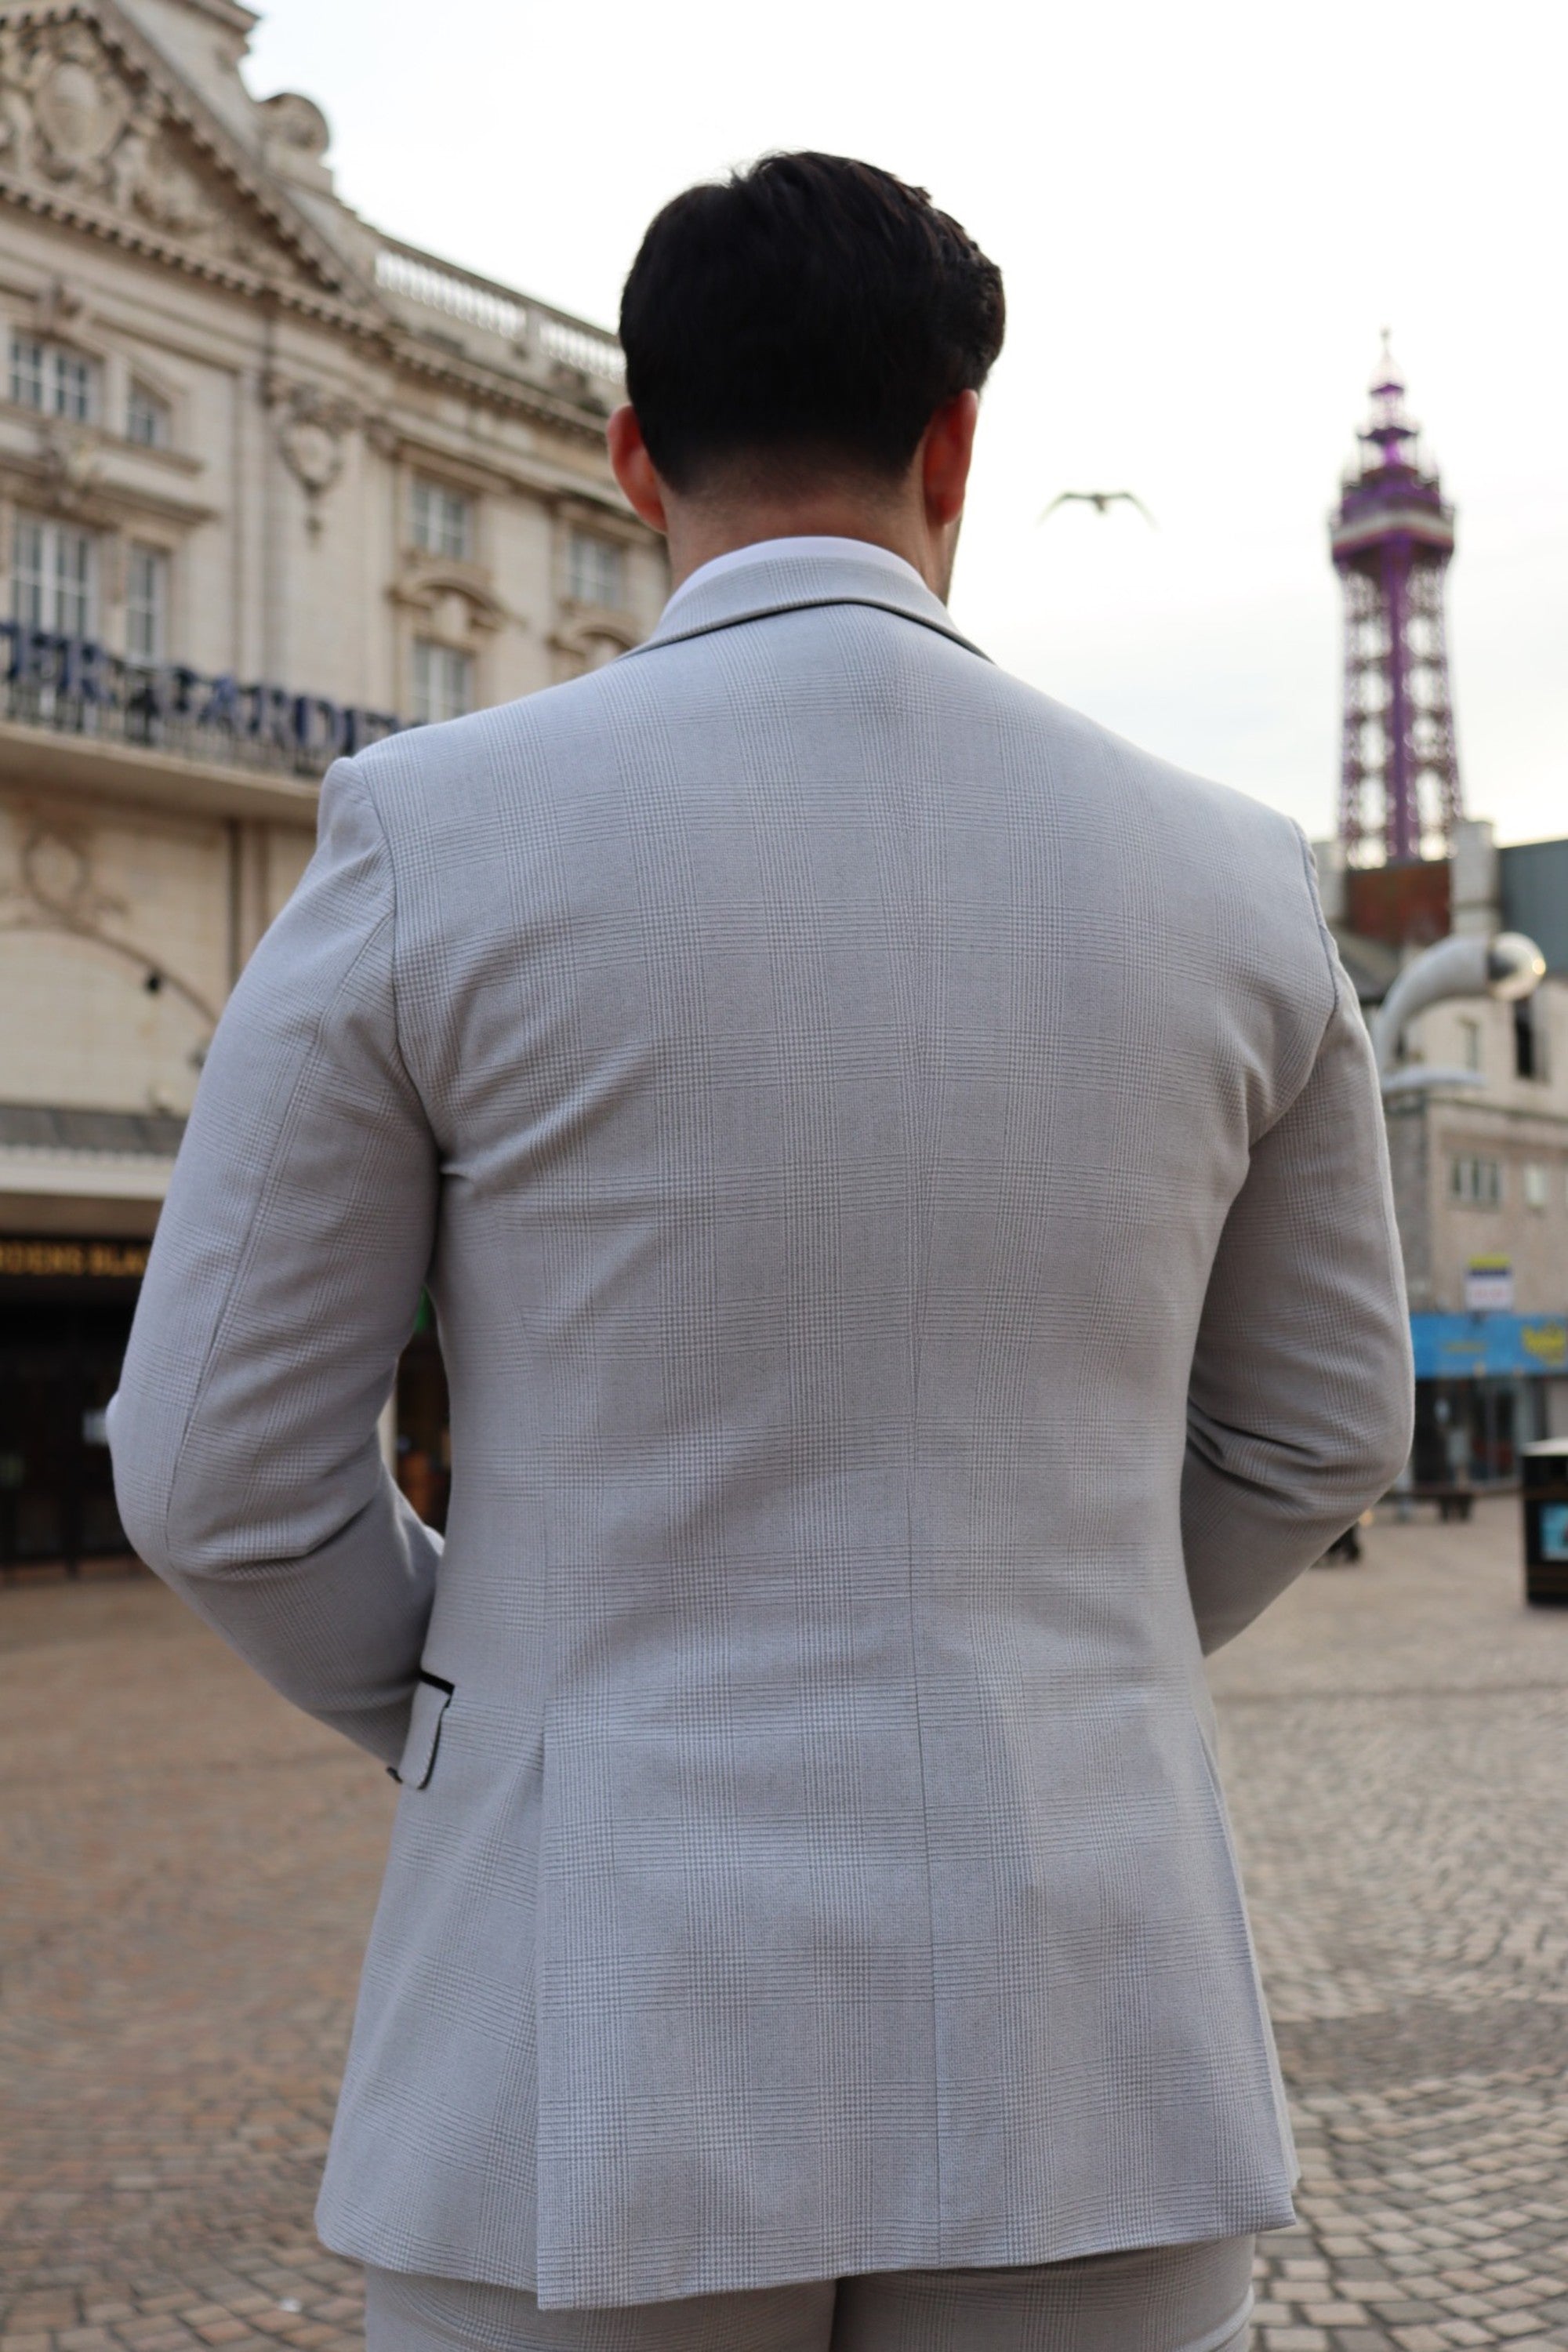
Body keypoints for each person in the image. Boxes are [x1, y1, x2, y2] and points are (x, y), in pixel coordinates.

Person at [109, 153, 1414, 2352]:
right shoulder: (1238, 878)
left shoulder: (434, 835)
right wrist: (1041, 1662)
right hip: (1084, 1999)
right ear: (959, 444)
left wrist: (493, 1701)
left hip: (579, 2005)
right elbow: (1318, 1432)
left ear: (633, 454)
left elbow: (217, 1472)